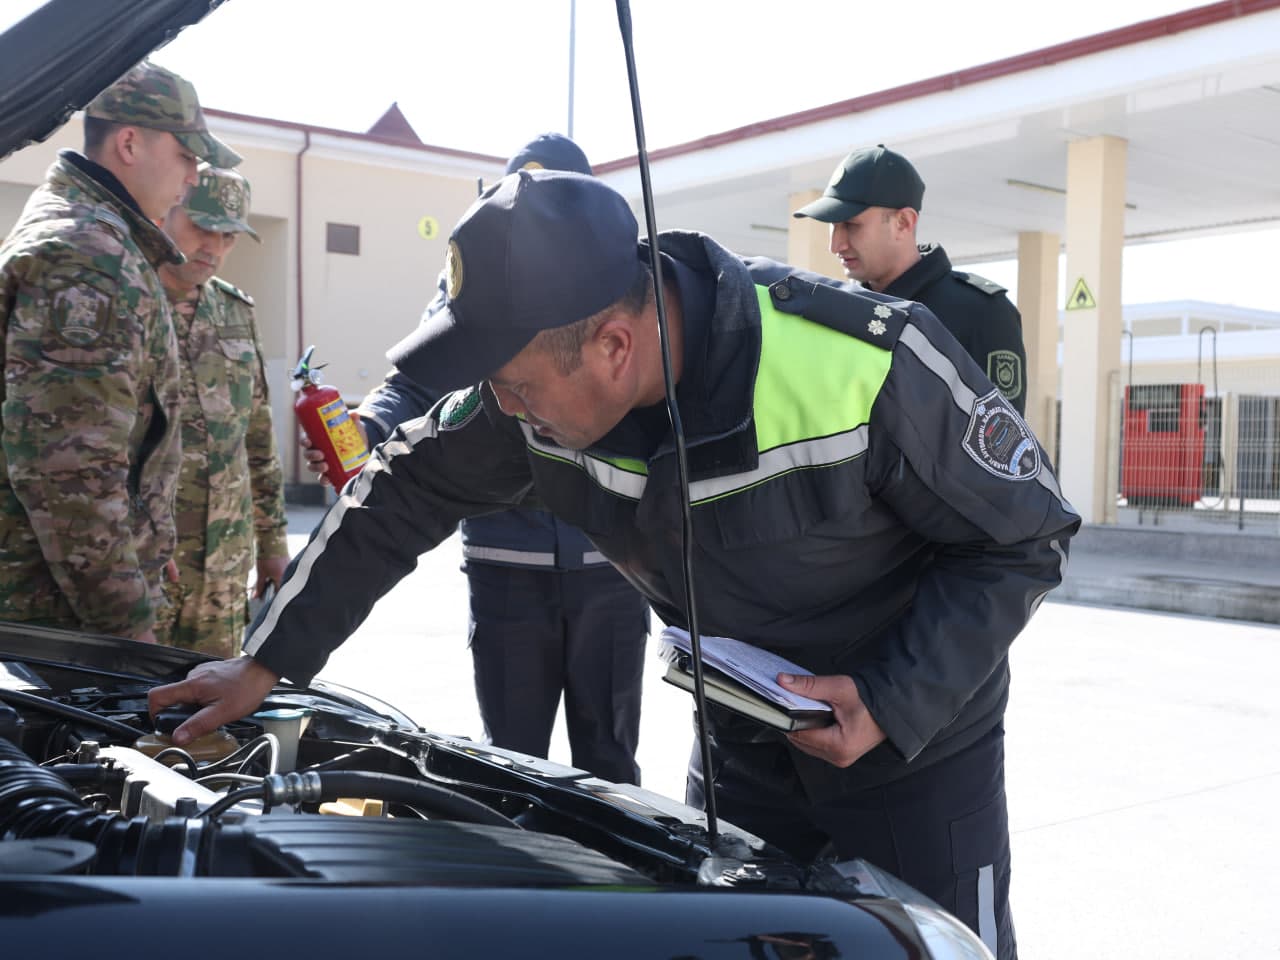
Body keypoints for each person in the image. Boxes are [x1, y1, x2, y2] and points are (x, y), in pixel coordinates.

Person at [151, 170, 1080, 959]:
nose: (506, 411)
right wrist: (266, 663)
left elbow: (1024, 535)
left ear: (613, 346)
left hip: (913, 752)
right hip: (743, 741)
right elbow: (399, 491)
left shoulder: (867, 362)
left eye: (515, 388)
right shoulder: (539, 396)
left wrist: (891, 696)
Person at [309, 134, 648, 785]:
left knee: (608, 762)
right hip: (506, 563)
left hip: (609, 566)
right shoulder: (477, 285)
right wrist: (369, 425)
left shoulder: (619, 284)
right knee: (508, 760)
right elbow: (423, 379)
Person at [0, 61, 240, 642]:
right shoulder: (87, 257)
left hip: (59, 604)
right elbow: (71, 476)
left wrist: (148, 541)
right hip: (60, 622)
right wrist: (129, 629)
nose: (192, 176)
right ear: (130, 142)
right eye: (186, 156)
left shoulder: (92, 236)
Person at [154, 166, 289, 657]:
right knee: (123, 716)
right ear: (168, 209)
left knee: (207, 719)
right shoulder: (130, 300)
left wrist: (272, 543)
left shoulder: (236, 311)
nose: (214, 247)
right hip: (149, 569)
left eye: (228, 235)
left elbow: (257, 437)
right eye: (202, 228)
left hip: (223, 570)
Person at [794, 144, 1028, 414]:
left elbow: (1000, 443)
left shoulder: (981, 313)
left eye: (851, 225)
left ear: (903, 222)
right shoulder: (842, 314)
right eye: (833, 227)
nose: (836, 245)